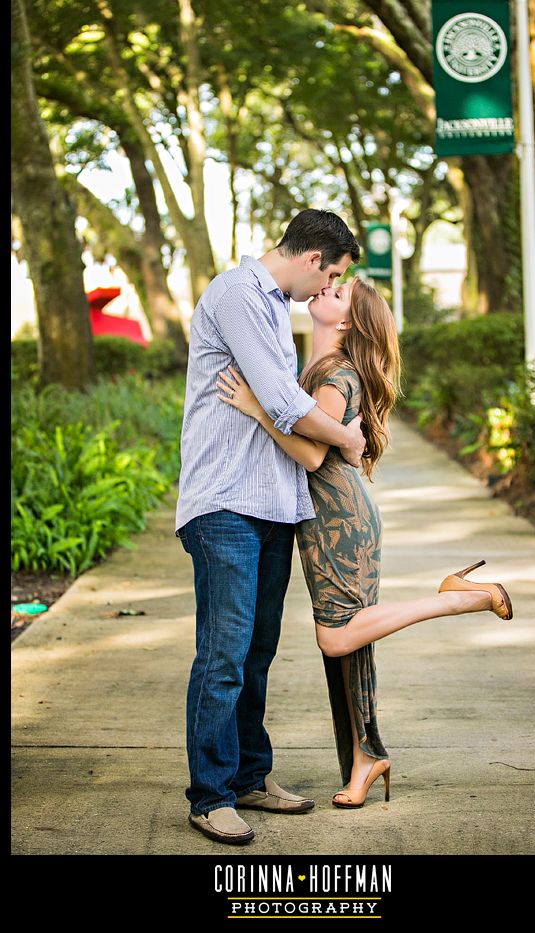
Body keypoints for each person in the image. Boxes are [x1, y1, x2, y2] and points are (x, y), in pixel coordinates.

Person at [217, 274, 513, 810]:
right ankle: (364, 760)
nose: (325, 289)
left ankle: (459, 597)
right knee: (350, 648)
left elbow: (309, 456)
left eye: (337, 293)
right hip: (330, 520)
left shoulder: (335, 375)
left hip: (339, 522)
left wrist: (255, 408)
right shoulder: (321, 369)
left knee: (337, 640)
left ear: (348, 321)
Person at [175, 209, 366, 846]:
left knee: (256, 654)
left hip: (272, 507)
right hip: (224, 503)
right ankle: (210, 795)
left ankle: (252, 776)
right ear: (313, 258)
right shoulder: (236, 293)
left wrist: (315, 430)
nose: (327, 288)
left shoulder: (273, 309)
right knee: (224, 654)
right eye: (332, 274)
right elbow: (285, 405)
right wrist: (347, 437)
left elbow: (281, 416)